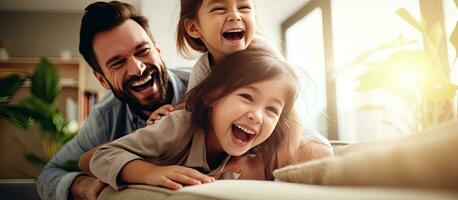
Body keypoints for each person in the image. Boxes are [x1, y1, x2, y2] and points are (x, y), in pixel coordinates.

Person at [80, 48, 301, 190]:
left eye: (272, 110)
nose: (257, 115)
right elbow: (101, 156)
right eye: (246, 96)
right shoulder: (179, 125)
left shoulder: (248, 154)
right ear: (214, 96)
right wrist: (150, 173)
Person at [36, 2, 190, 200]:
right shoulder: (105, 116)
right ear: (102, 80)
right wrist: (82, 185)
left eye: (143, 51)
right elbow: (48, 175)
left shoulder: (204, 88)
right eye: (117, 63)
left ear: (158, 50)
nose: (137, 69)